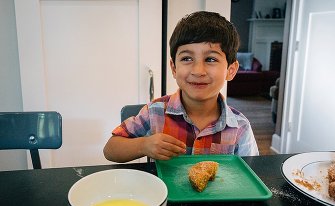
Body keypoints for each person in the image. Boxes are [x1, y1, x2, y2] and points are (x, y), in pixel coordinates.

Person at [104, 11, 258, 162]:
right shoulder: (154, 113)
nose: (198, 71)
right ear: (174, 68)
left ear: (230, 71)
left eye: (211, 59)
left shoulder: (240, 128)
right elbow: (110, 149)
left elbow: (251, 172)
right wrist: (143, 145)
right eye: (187, 58)